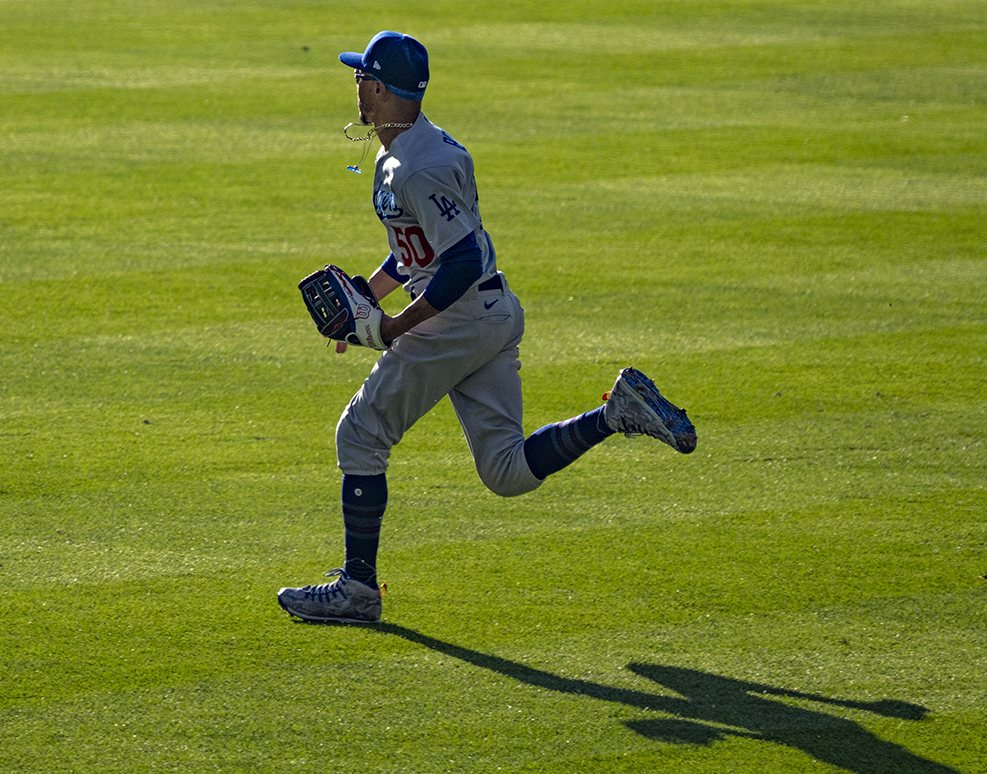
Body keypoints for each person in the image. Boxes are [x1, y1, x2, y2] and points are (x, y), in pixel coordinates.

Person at [277, 31, 696, 623]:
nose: (355, 88)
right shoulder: (403, 149)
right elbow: (420, 246)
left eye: (360, 78)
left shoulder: (421, 165)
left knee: (360, 434)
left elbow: (460, 262)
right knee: (505, 471)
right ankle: (615, 413)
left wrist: (393, 328)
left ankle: (358, 590)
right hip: (492, 313)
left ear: (380, 88)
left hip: (458, 317)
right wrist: (370, 295)